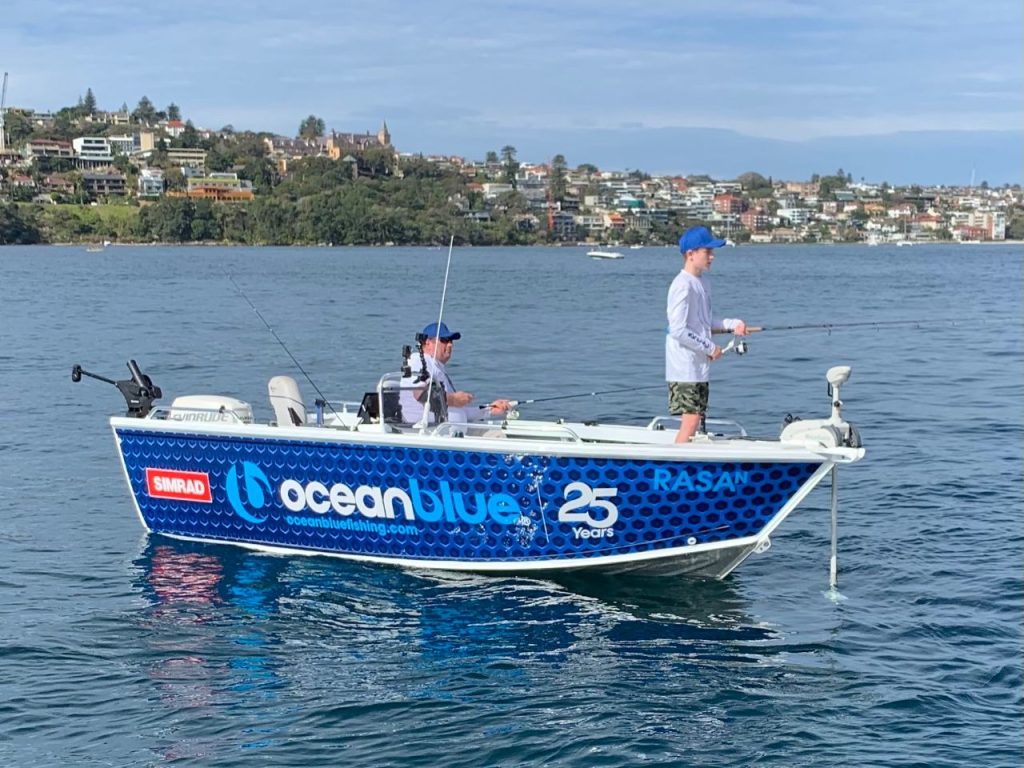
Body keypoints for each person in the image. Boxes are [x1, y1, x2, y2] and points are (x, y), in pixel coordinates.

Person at [666, 226, 748, 444]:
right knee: (691, 420)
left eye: (713, 252)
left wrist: (733, 325)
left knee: (696, 417)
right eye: (707, 252)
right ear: (691, 254)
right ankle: (676, 466)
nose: (712, 257)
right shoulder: (682, 285)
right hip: (684, 365)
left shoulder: (702, 283)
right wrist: (710, 348)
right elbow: (678, 329)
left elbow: (704, 323)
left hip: (699, 364)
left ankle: (684, 463)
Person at [399, 321, 513, 425]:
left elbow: (459, 412)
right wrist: (454, 399)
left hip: (453, 432)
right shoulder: (419, 359)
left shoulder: (437, 367)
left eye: (451, 341)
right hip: (433, 434)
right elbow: (421, 394)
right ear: (428, 343)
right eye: (444, 340)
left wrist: (490, 410)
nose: (450, 345)